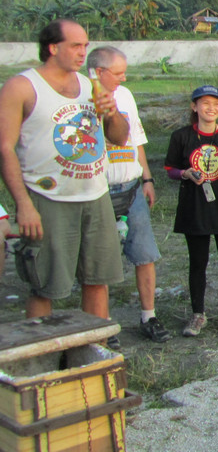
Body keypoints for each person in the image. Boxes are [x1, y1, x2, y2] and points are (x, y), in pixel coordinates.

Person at [0, 19, 128, 321]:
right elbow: (5, 148)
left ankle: (95, 344)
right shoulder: (22, 87)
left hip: (95, 195)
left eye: (85, 45)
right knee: (45, 285)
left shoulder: (89, 85)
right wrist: (23, 205)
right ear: (53, 47)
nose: (83, 52)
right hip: (48, 198)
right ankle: (41, 347)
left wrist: (111, 112)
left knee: (98, 280)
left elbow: (119, 137)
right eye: (75, 45)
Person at [88, 46, 170, 343]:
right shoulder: (82, 97)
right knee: (102, 261)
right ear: (99, 72)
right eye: (118, 73)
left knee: (145, 253)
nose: (124, 78)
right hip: (98, 190)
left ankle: (149, 316)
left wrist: (147, 178)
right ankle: (103, 325)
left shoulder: (125, 96)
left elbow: (136, 140)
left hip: (131, 186)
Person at [166, 85, 218, 338]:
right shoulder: (181, 136)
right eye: (205, 103)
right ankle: (198, 313)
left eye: (216, 104)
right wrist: (185, 173)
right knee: (198, 261)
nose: (211, 108)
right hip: (195, 204)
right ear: (194, 107)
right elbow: (170, 169)